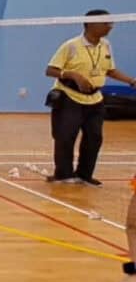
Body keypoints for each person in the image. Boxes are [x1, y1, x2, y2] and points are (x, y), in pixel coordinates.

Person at [45, 9, 136, 186]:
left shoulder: (106, 45)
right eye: (106, 23)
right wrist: (73, 75)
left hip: (95, 99)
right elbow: (50, 70)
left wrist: (131, 81)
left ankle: (84, 175)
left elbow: (109, 70)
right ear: (91, 24)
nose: (110, 26)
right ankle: (63, 175)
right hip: (69, 97)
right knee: (65, 136)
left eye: (111, 23)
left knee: (94, 137)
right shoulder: (70, 46)